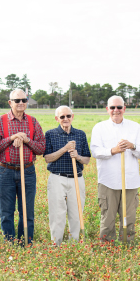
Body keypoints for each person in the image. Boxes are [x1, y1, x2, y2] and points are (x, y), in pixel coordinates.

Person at [0, 89, 45, 246]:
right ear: (10, 102)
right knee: (6, 212)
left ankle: (26, 242)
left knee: (27, 211)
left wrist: (27, 140)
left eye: (24, 100)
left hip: (27, 171)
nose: (21, 103)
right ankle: (10, 244)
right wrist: (11, 138)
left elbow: (41, 149)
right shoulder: (1, 121)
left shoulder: (33, 122)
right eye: (17, 100)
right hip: (5, 171)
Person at [90, 96, 140, 243]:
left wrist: (132, 146)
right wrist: (113, 150)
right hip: (108, 181)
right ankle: (107, 248)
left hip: (130, 181)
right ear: (107, 109)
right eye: (112, 107)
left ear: (124, 108)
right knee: (107, 218)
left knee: (128, 217)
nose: (116, 110)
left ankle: (127, 246)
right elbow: (95, 152)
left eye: (119, 107)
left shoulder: (135, 127)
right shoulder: (100, 128)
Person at [43, 105, 91, 246]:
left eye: (68, 116)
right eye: (62, 117)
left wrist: (77, 156)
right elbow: (47, 158)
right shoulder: (50, 134)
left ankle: (74, 243)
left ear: (72, 117)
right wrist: (64, 149)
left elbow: (87, 159)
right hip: (57, 177)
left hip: (77, 177)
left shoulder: (80, 134)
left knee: (76, 213)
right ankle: (56, 243)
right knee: (57, 213)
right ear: (57, 118)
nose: (65, 119)